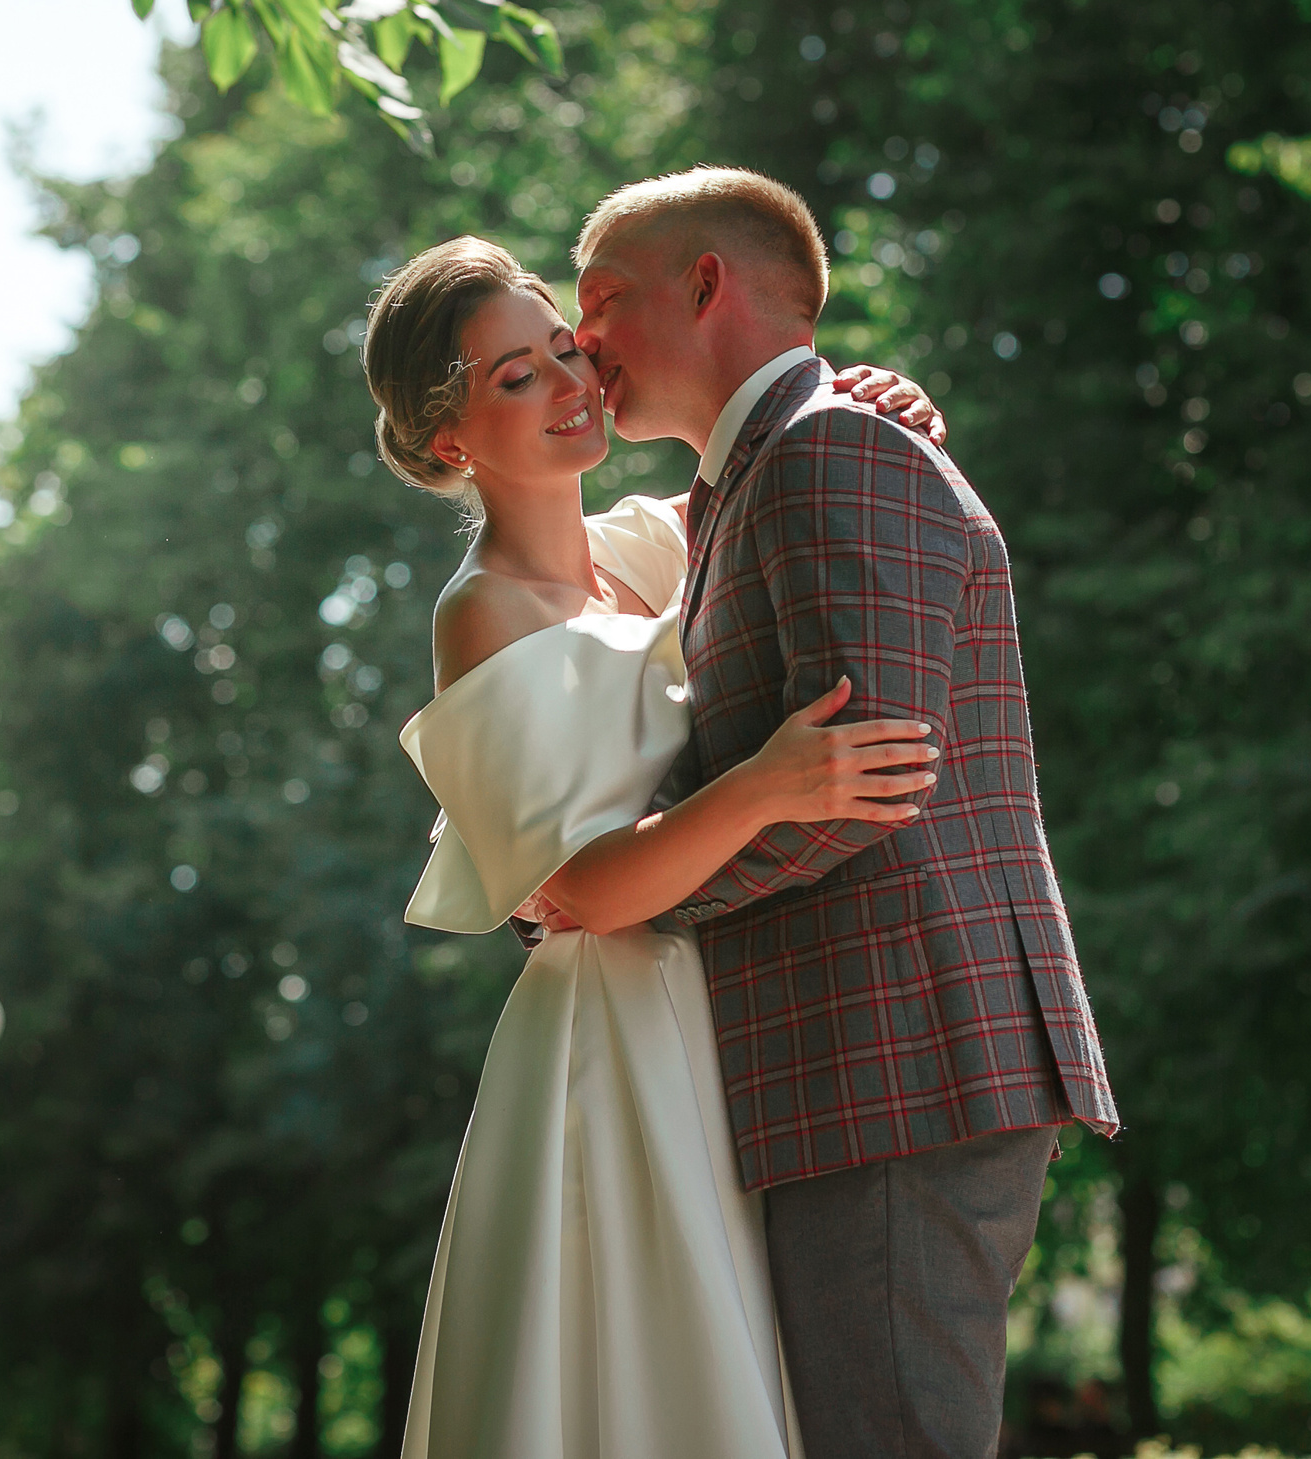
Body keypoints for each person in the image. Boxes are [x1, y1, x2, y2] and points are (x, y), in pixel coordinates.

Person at [363, 235, 950, 1458]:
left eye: (565, 352)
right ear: (443, 442)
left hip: (730, 1010)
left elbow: (782, 465)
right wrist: (769, 787)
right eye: (515, 378)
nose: (572, 385)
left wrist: (869, 392)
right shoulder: (481, 612)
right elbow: (580, 888)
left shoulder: (648, 545)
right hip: (616, 1045)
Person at [572, 168, 1119, 1459]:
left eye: (599, 301)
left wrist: (613, 895)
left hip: (896, 1058)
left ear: (706, 284)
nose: (581, 339)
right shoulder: (759, 473)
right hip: (862, 1065)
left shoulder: (831, 448)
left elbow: (865, 781)